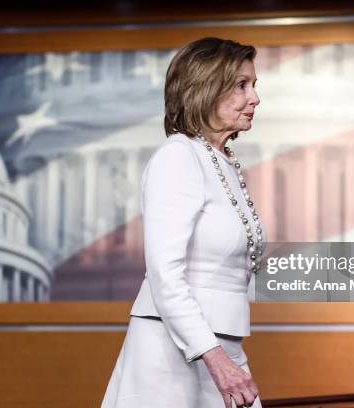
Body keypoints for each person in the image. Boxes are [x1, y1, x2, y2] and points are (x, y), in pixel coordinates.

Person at [101, 37, 265, 408]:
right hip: (172, 352)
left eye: (254, 86)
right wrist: (215, 357)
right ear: (206, 88)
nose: (255, 98)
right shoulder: (178, 156)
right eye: (242, 85)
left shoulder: (222, 162)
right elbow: (165, 274)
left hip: (222, 346)